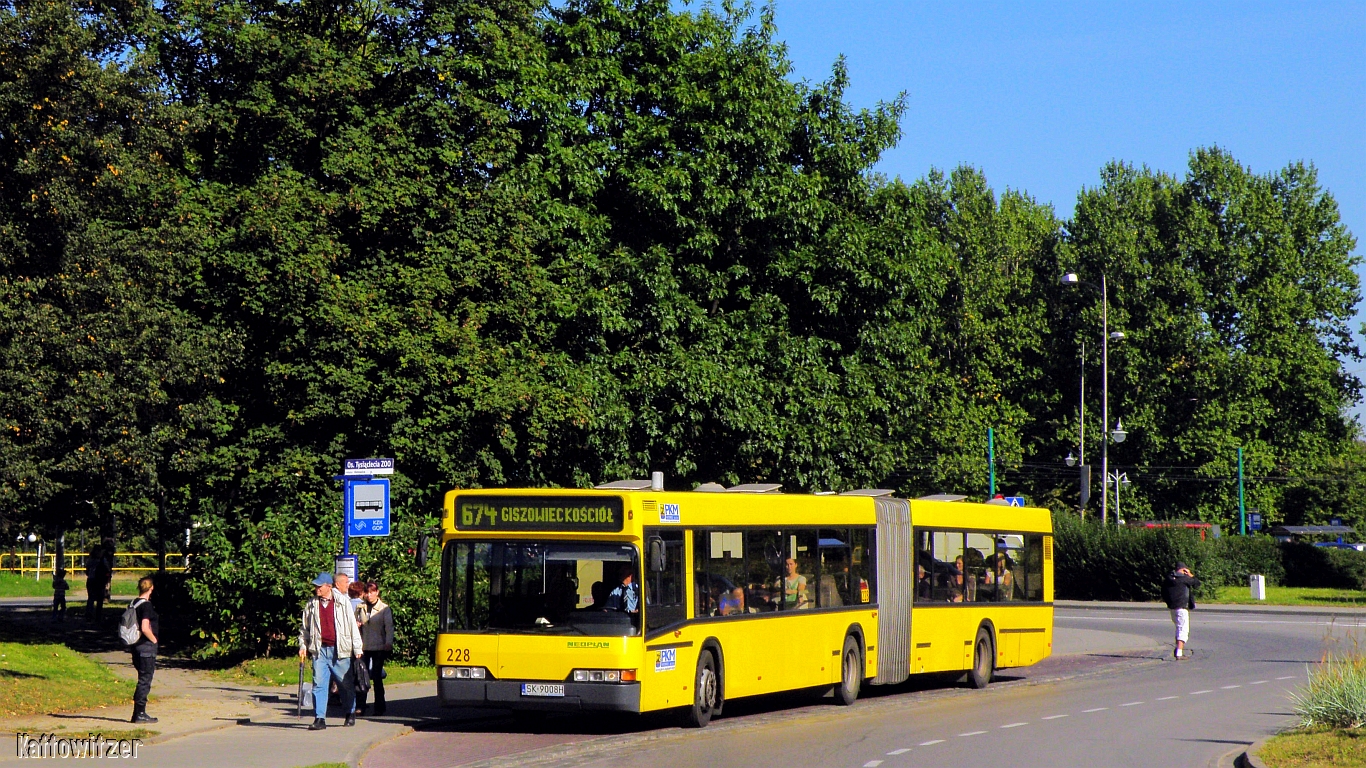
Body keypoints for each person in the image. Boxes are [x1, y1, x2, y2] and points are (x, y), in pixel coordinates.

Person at [298, 572, 365, 730]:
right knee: (319, 685)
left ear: (329, 586)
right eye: (315, 586)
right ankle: (320, 718)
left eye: (319, 586)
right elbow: (305, 629)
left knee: (345, 684)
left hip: (339, 650)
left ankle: (350, 712)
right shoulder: (311, 605)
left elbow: (351, 626)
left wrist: (357, 648)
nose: (317, 589)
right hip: (319, 650)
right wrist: (303, 645)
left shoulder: (342, 602)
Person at [357, 581, 393, 716]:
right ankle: (360, 706)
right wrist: (357, 625)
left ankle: (379, 707)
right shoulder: (360, 608)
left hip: (379, 647)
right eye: (367, 592)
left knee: (377, 678)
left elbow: (389, 627)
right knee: (362, 678)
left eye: (372, 592)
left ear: (377, 592)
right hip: (364, 647)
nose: (369, 595)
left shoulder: (384, 609)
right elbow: (354, 626)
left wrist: (388, 642)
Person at [128, 576, 159, 723]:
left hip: (136, 646)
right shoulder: (146, 606)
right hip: (146, 647)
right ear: (151, 588)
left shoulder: (134, 603)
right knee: (145, 680)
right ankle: (139, 714)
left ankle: (138, 712)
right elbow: (145, 627)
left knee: (142, 678)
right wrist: (154, 640)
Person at [1163, 562, 1201, 660]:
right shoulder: (1184, 579)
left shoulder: (1168, 579)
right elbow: (1197, 583)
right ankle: (1179, 652)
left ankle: (1178, 650)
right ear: (1184, 570)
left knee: (1178, 628)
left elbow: (1163, 592)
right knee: (1183, 630)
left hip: (1172, 608)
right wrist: (1190, 575)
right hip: (1182, 608)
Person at [84, 543, 108, 621]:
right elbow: (107, 569)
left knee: (90, 598)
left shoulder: (90, 560)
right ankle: (98, 615)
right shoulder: (102, 560)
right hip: (99, 581)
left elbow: (86, 571)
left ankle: (89, 614)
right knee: (100, 599)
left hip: (91, 580)